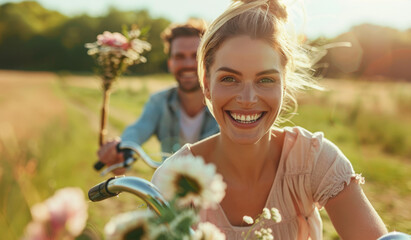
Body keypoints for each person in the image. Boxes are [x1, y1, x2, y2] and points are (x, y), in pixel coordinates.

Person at [152, 0, 388, 239]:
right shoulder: (173, 179)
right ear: (206, 84)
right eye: (229, 79)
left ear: (284, 85)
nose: (247, 99)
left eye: (265, 80)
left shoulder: (313, 160)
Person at [97, 19, 219, 175]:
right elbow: (138, 129)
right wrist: (123, 150)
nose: (188, 64)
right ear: (170, 63)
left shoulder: (223, 103)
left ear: (207, 62)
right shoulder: (159, 101)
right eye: (179, 57)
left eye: (195, 56)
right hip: (170, 189)